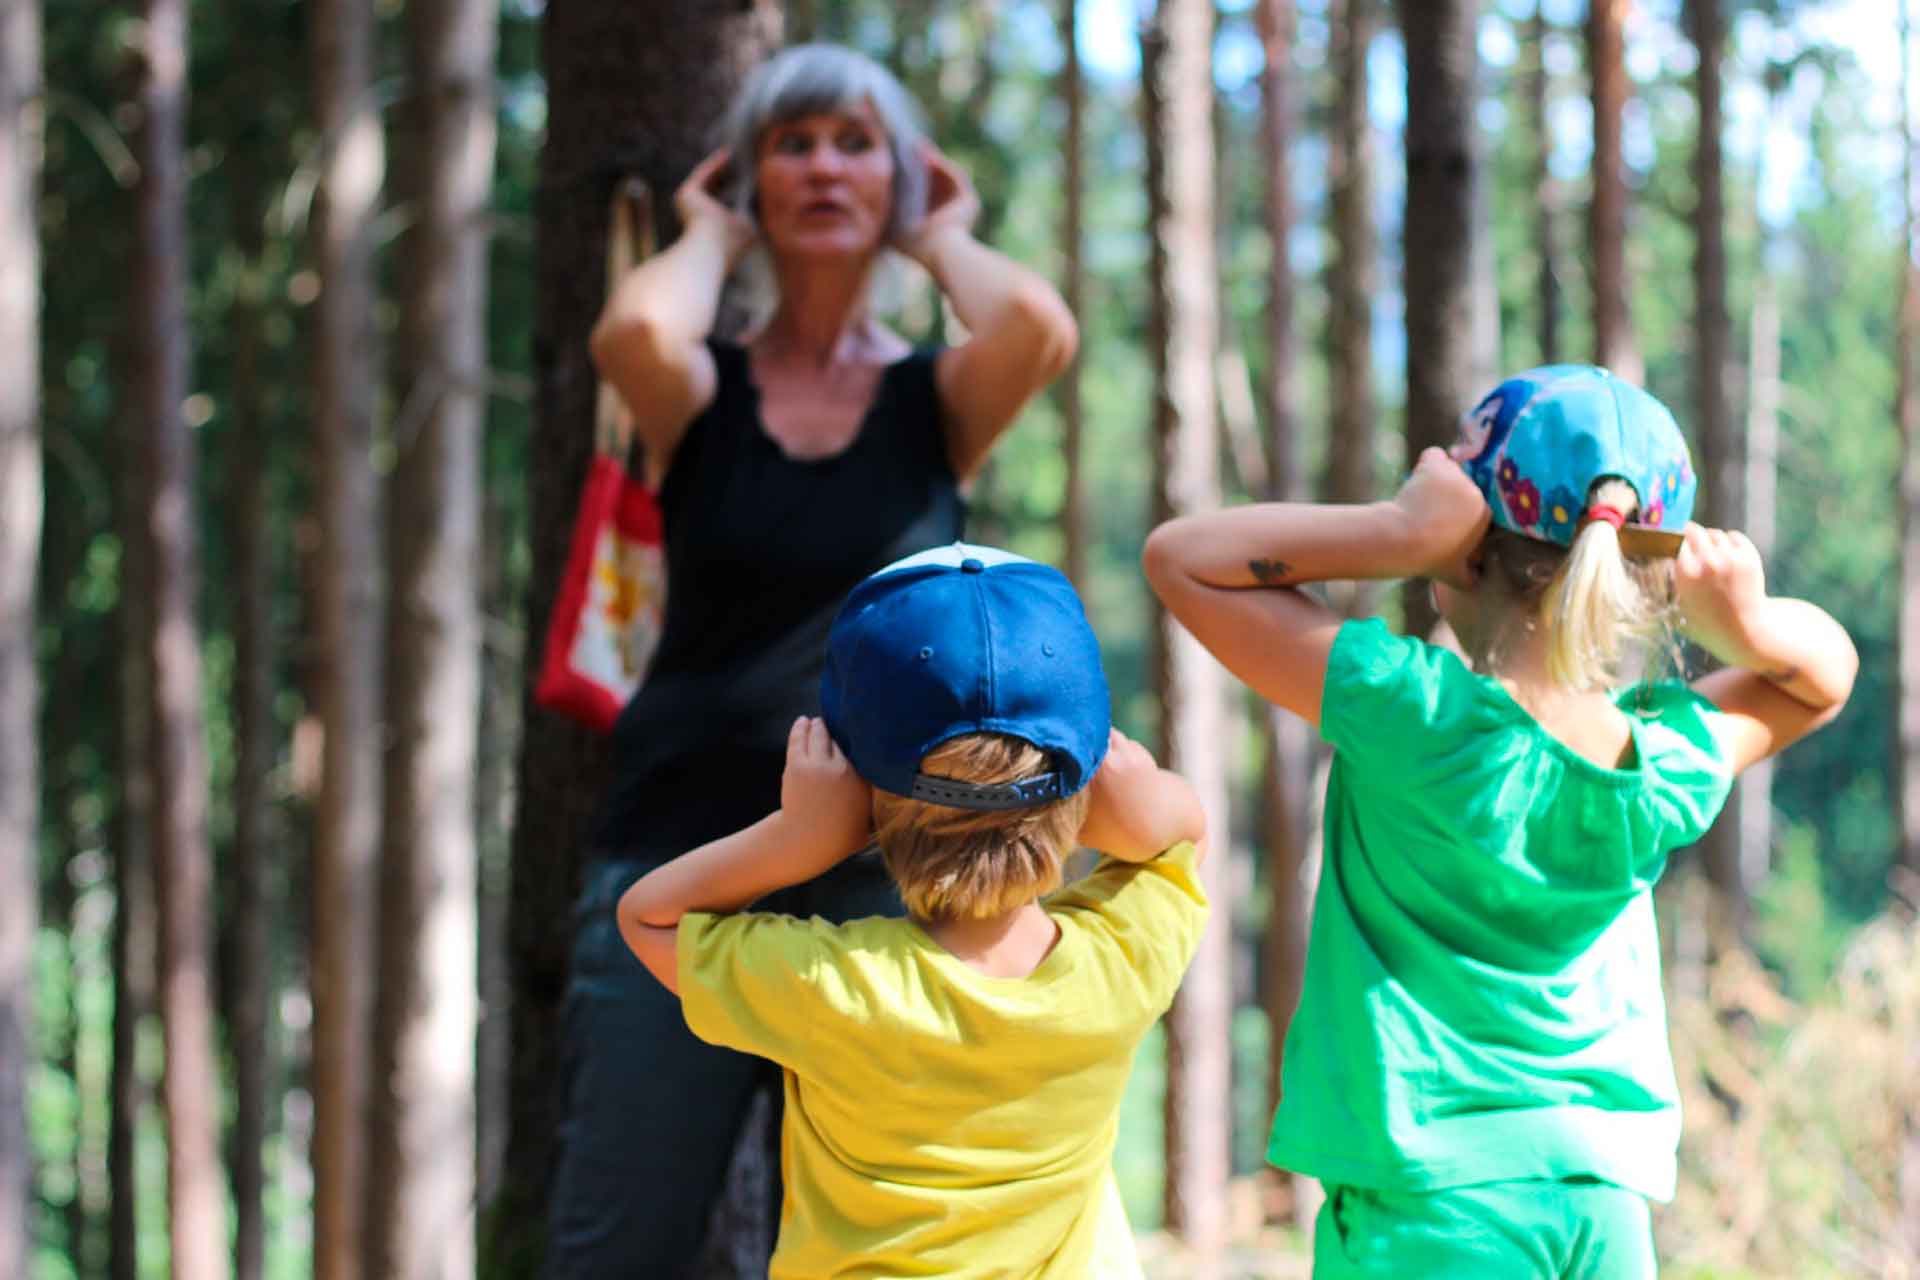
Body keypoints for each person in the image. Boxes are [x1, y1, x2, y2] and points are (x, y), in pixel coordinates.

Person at [1142, 365, 1857, 1278]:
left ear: (1466, 553)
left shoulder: (1411, 714)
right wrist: (1749, 625)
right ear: (1644, 583)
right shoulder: (1662, 763)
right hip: (1602, 1208)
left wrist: (1397, 533)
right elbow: (1824, 678)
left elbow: (1182, 557)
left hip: (1432, 1207)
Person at [550, 43, 1078, 1275]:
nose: (825, 166)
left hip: (899, 867)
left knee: (891, 1243)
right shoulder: (703, 391)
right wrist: (709, 231)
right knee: (617, 1242)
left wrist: (936, 232)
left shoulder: (936, 397)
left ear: (896, 178)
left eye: (856, 142)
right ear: (752, 182)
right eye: (793, 144)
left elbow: (1037, 325)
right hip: (681, 860)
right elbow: (630, 326)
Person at [615, 544, 1210, 1278]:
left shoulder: (833, 987)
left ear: (864, 790)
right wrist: (1128, 808)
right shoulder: (1124, 961)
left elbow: (648, 918)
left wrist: (797, 842)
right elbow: (1186, 835)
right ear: (1080, 785)